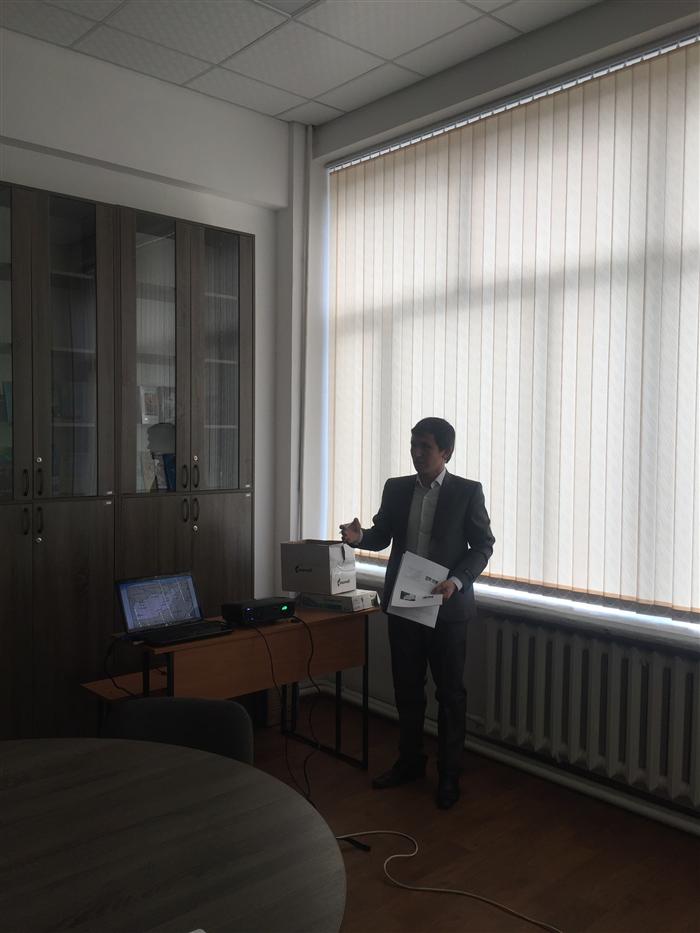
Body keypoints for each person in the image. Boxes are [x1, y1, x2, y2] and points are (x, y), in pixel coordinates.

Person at [340, 417, 494, 809]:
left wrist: (457, 581)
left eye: (425, 446)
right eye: (413, 445)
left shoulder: (467, 492)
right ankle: (410, 762)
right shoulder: (396, 488)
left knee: (450, 694)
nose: (417, 453)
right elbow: (382, 535)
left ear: (446, 452)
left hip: (447, 606)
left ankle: (449, 774)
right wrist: (360, 538)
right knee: (407, 689)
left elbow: (483, 546)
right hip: (405, 602)